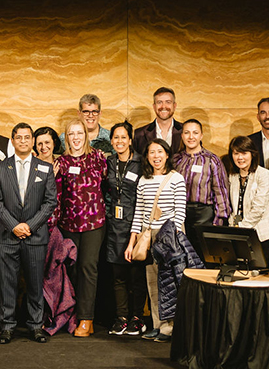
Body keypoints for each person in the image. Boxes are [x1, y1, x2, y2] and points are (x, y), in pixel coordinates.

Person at [0, 122, 58, 344]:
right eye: (18, 137)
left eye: (27, 137)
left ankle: (36, 326)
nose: (23, 141)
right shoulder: (0, 168)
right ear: (12, 141)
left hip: (36, 236)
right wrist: (14, 225)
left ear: (32, 141)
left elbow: (50, 202)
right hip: (7, 236)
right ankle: (7, 326)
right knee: (7, 283)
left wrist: (30, 225)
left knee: (35, 283)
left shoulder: (45, 168)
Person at [124, 138, 186, 343]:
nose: (156, 156)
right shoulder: (143, 180)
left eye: (160, 152)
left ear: (167, 154)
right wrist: (132, 242)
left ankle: (173, 327)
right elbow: (139, 213)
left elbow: (180, 212)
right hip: (149, 234)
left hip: (170, 234)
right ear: (147, 156)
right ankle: (158, 325)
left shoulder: (176, 178)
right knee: (153, 282)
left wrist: (171, 237)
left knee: (171, 282)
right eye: (152, 153)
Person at [55, 121, 108, 337]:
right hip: (68, 223)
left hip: (94, 222)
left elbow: (108, 185)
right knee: (72, 269)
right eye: (71, 134)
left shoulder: (98, 158)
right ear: (66, 138)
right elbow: (57, 195)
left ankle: (87, 318)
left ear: (86, 135)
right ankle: (73, 314)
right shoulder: (62, 162)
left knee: (88, 267)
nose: (76, 137)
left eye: (79, 133)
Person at [102, 122, 145, 337]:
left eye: (123, 137)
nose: (119, 141)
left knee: (136, 275)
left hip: (135, 223)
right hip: (114, 225)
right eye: (116, 138)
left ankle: (137, 317)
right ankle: (121, 317)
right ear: (111, 141)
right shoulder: (108, 163)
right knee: (117, 274)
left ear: (130, 140)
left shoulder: (140, 162)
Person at [172, 118, 230, 257]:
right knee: (183, 258)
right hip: (181, 216)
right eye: (187, 133)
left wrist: (219, 221)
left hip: (205, 216)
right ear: (182, 136)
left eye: (195, 133)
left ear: (201, 136)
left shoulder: (212, 160)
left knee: (204, 258)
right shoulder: (175, 160)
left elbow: (221, 193)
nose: (191, 137)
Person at [224, 135, 269, 263]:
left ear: (252, 154)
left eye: (244, 153)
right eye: (236, 153)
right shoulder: (232, 175)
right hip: (238, 233)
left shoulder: (263, 174)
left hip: (260, 233)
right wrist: (234, 227)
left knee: (258, 275)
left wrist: (242, 227)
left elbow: (259, 208)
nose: (240, 157)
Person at [133, 87, 183, 154]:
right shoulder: (139, 134)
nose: (163, 106)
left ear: (174, 106)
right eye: (159, 102)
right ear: (154, 106)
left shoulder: (185, 131)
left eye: (168, 102)